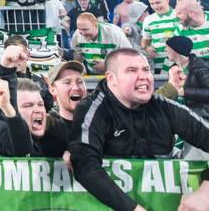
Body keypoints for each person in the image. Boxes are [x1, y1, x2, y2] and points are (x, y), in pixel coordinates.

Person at [69, 48, 209, 211]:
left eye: (146, 69)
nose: (143, 76)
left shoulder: (164, 106)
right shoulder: (93, 108)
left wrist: (206, 190)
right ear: (111, 78)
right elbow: (84, 165)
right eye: (132, 70)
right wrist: (133, 209)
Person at [163, 35, 209, 151]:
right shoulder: (173, 68)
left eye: (167, 48)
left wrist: (185, 92)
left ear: (176, 51)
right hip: (179, 116)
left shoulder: (200, 67)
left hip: (200, 118)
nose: (165, 50)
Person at [140, 0, 180, 74]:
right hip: (158, 65)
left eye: (158, 2)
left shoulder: (179, 15)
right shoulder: (148, 19)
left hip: (178, 64)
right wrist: (147, 48)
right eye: (152, 3)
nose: (155, 6)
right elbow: (145, 42)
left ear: (167, 0)